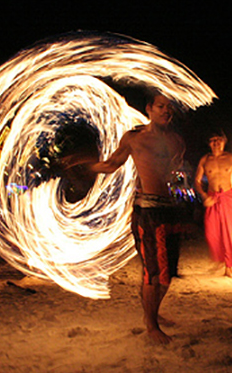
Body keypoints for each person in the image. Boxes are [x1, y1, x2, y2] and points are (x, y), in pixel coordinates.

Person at [65, 92, 185, 344]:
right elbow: (111, 165)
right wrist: (84, 166)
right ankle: (151, 325)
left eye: (170, 109)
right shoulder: (134, 138)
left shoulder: (176, 141)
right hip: (148, 211)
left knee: (168, 272)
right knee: (154, 272)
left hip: (169, 209)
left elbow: (173, 172)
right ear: (149, 108)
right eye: (161, 107)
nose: (166, 112)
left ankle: (153, 312)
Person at [194, 130, 232, 277]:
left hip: (228, 198)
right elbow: (197, 181)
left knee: (229, 233)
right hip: (212, 198)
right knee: (212, 233)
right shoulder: (205, 159)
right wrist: (203, 196)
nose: (216, 143)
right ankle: (220, 260)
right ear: (208, 143)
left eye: (219, 140)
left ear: (224, 141)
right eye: (212, 140)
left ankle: (229, 267)